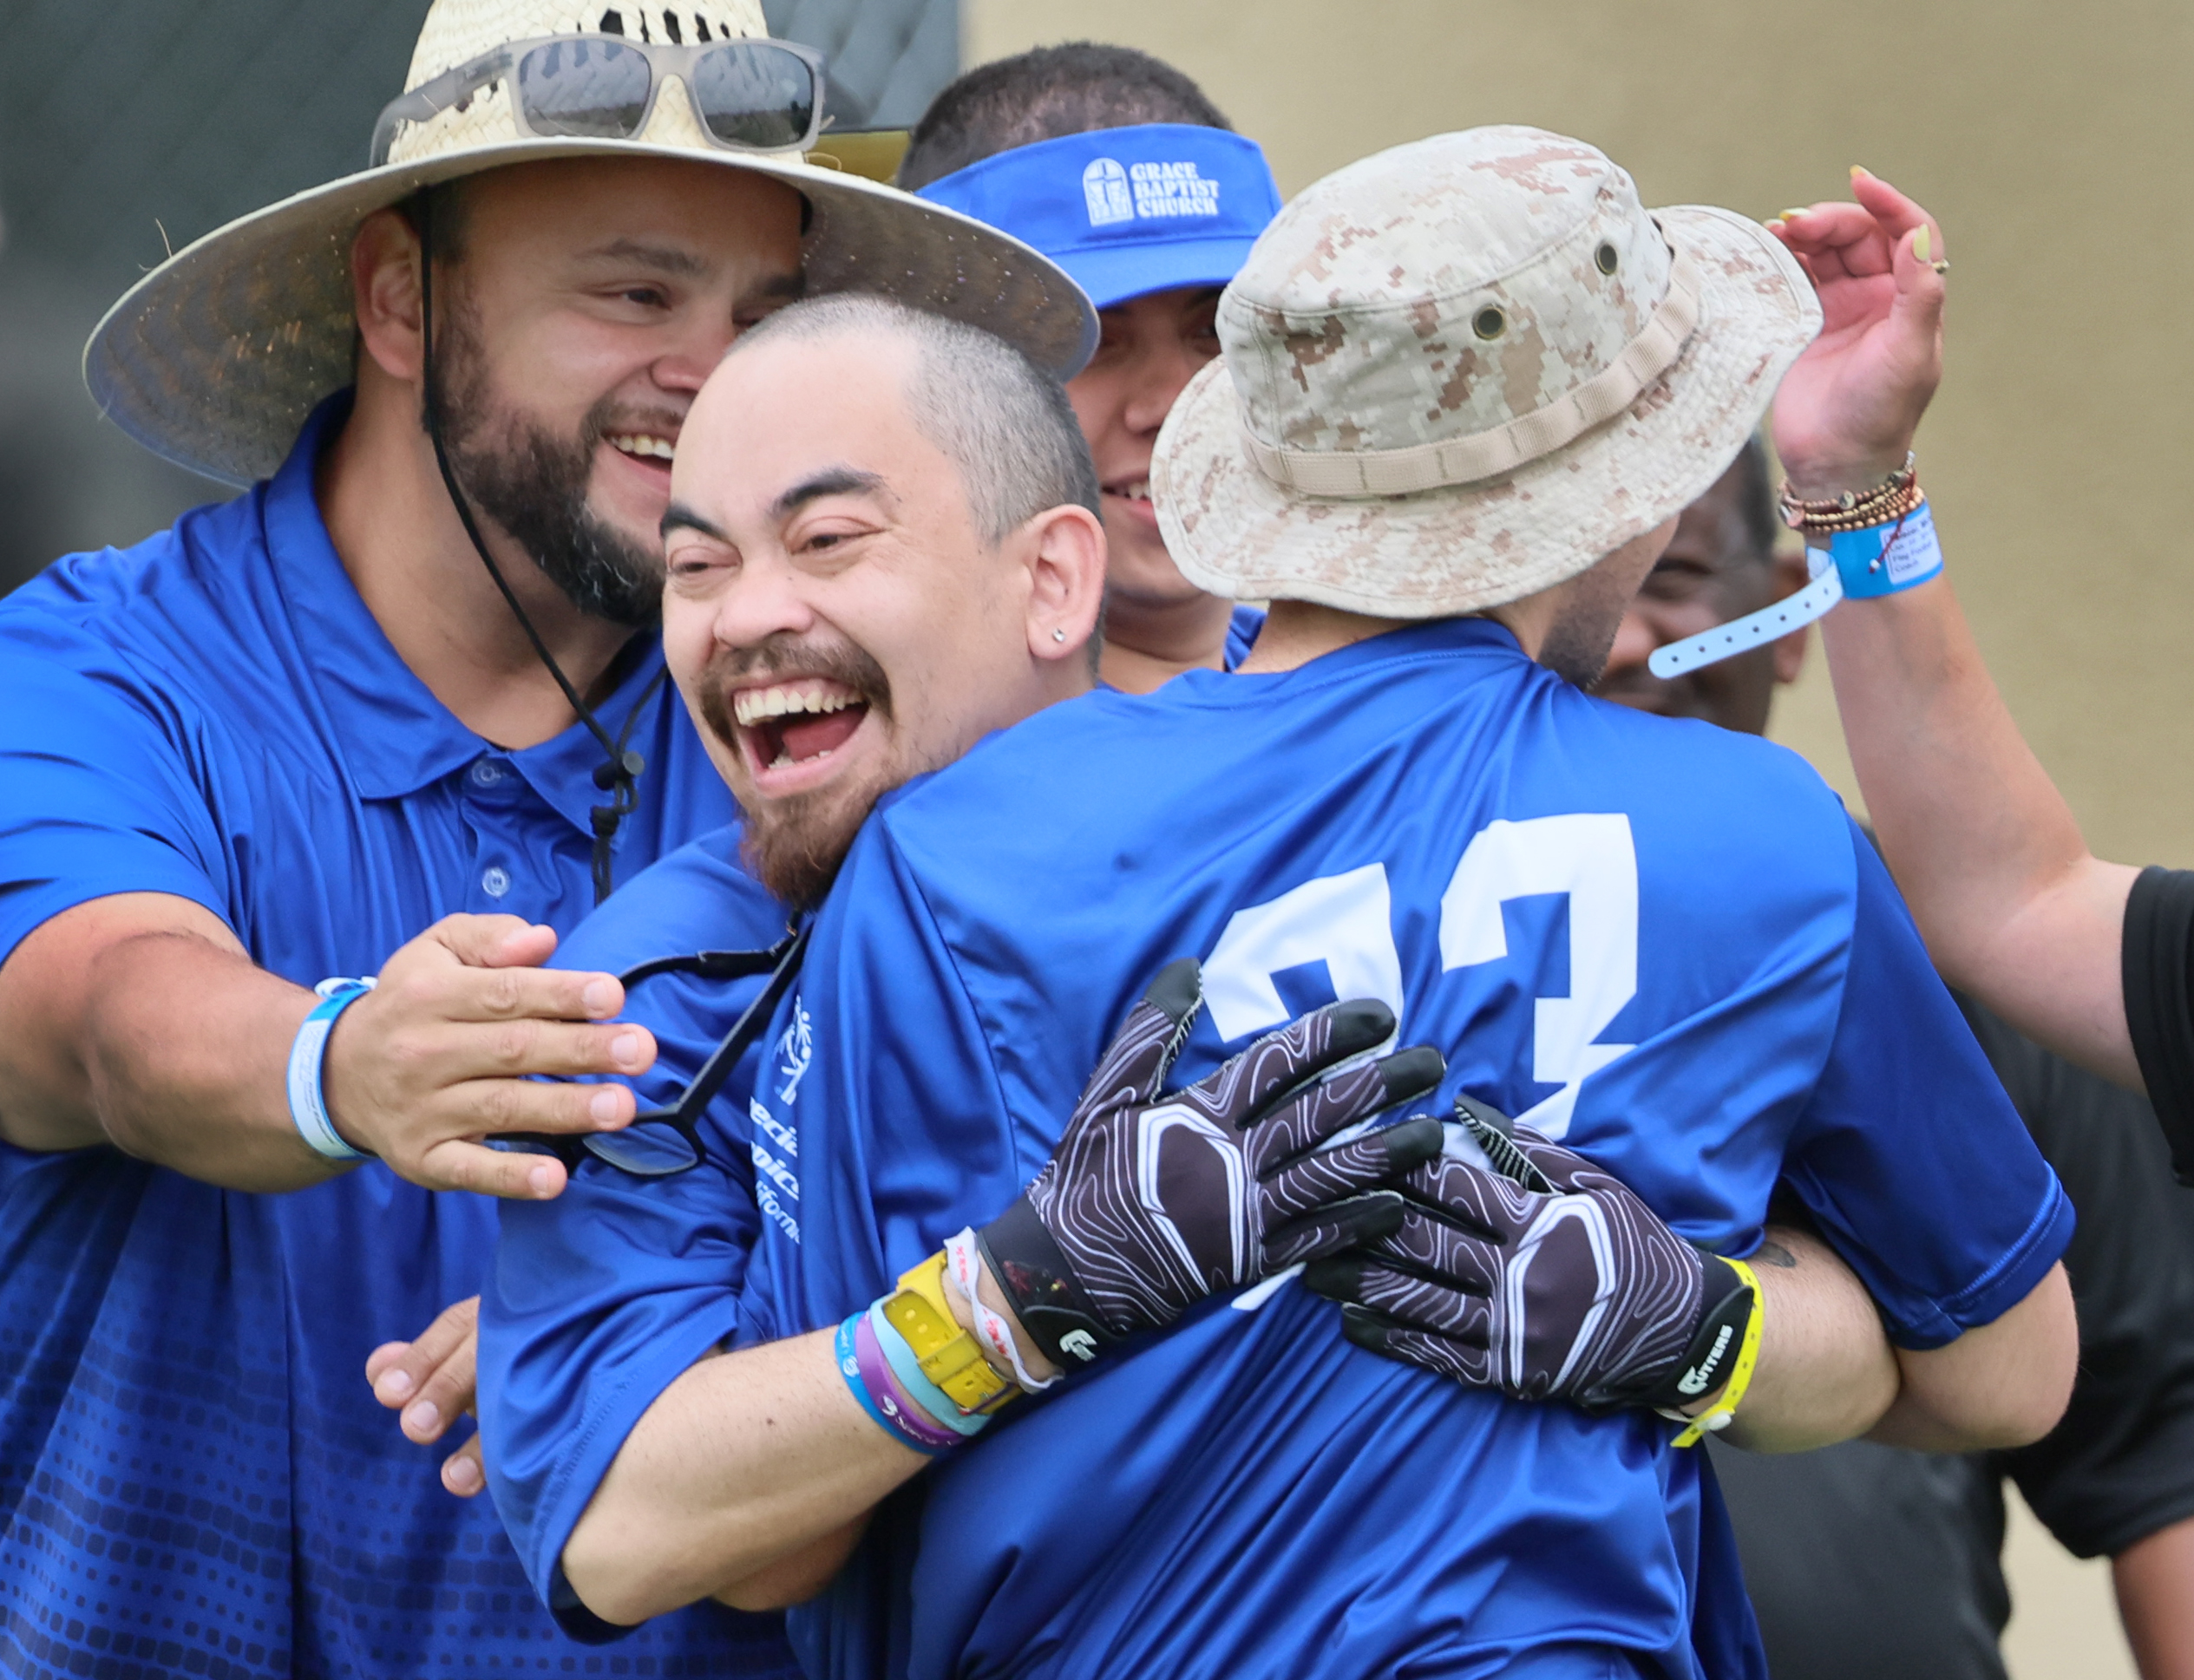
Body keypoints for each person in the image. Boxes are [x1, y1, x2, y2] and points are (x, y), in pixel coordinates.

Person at [486, 129, 2079, 1678]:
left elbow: (766, 1537)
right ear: (1629, 495)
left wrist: (1003, 1310)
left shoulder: (954, 855)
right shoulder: (1756, 836)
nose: (762, 609)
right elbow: (2007, 1363)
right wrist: (1699, 1324)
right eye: (704, 565)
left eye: (829, 537)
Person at [0, 1, 1093, 1674]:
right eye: (634, 292)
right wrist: (341, 1059)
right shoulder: (99, 664)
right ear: (399, 298)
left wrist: (611, 1328)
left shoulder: (816, 711)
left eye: (759, 312)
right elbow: (99, 1019)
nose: (714, 372)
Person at [1601, 446, 2194, 1680]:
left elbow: (2162, 1453)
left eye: (1676, 579)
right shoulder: (1369, 938)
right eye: (1581, 592)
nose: (1620, 645)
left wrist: (1861, 484)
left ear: (1776, 613)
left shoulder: (1957, 974)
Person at [899, 42, 1280, 691]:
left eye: (1215, 333)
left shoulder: (1405, 724)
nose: (1171, 405)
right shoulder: (884, 760)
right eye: (1094, 339)